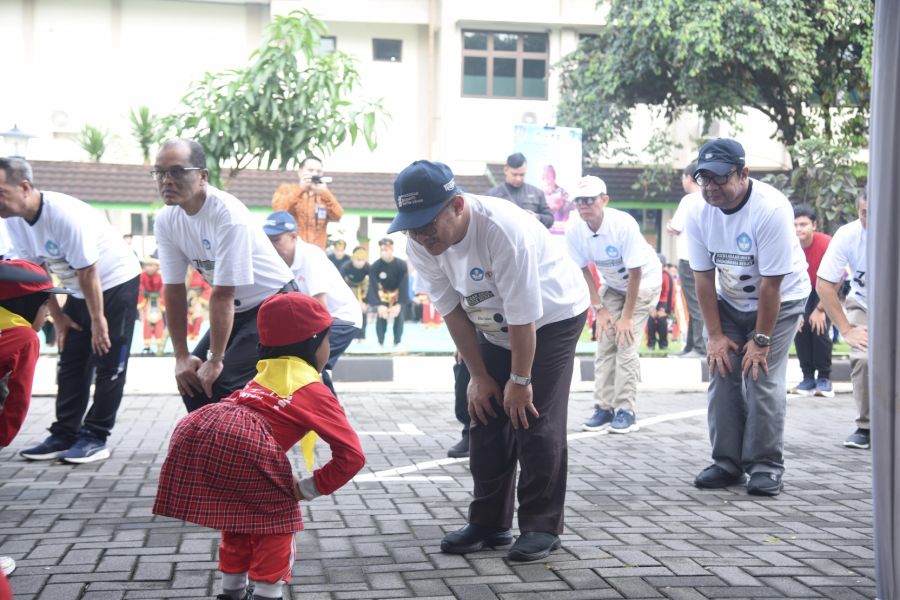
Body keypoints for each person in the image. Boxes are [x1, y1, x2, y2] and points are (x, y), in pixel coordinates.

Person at [389, 160, 589, 562]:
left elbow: (523, 316)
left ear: (457, 205)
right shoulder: (420, 241)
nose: (421, 235)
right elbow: (451, 311)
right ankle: (489, 521)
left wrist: (520, 379)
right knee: (484, 413)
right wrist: (477, 376)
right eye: (411, 226)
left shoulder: (501, 229)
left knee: (532, 415)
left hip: (551, 318)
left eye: (427, 223)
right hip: (493, 323)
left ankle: (540, 525)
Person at [153, 292, 365, 600]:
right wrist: (307, 488)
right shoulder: (312, 389)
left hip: (205, 427)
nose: (329, 349)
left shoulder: (261, 373)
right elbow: (352, 455)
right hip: (246, 443)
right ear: (312, 343)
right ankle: (267, 592)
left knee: (239, 515)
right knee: (276, 522)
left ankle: (232, 591)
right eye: (328, 341)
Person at [686, 139, 810, 497]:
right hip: (730, 297)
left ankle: (765, 465)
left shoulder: (770, 209)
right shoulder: (697, 211)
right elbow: (702, 278)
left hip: (781, 298)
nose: (711, 187)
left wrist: (760, 341)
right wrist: (714, 335)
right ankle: (727, 462)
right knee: (722, 368)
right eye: (703, 178)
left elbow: (772, 285)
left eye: (719, 178)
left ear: (743, 174)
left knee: (761, 375)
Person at [1, 157, 141, 464]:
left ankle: (95, 435)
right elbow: (36, 275)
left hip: (114, 282)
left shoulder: (62, 214)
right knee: (71, 359)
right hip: (80, 287)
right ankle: (64, 433)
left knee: (108, 359)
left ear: (24, 187)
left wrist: (98, 320)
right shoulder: (12, 219)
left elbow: (89, 270)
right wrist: (60, 318)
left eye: (1, 192)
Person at [151, 139, 296, 412]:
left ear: (202, 176)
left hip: (276, 304)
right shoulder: (166, 219)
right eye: (159, 172)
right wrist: (181, 356)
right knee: (191, 380)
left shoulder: (227, 214)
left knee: (224, 382)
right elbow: (173, 290)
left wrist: (215, 360)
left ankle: (245, 450)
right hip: (237, 310)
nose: (166, 180)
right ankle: (207, 449)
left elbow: (223, 294)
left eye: (177, 171)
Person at [566, 176, 661, 434]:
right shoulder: (574, 229)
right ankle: (603, 408)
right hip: (613, 285)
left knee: (625, 341)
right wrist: (600, 309)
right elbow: (583, 269)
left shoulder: (623, 224)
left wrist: (627, 317)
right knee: (606, 342)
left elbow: (636, 273)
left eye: (590, 199)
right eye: (579, 201)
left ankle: (625, 410)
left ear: (604, 200)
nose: (584, 205)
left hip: (643, 284)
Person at [0, 260, 72, 587]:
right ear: (26, 304)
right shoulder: (23, 336)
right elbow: (16, 398)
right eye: (45, 304)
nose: (46, 315)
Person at [263, 210, 363, 397]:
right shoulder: (278, 262)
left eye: (276, 240)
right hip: (319, 319)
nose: (271, 246)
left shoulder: (310, 256)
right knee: (299, 362)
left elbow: (320, 307)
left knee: (310, 364)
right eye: (268, 240)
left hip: (341, 319)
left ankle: (330, 418)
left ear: (293, 236)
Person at [816, 189, 869, 449]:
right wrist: (846, 329)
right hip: (865, 303)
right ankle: (866, 427)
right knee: (863, 357)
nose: (870, 219)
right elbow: (824, 285)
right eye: (864, 214)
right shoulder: (848, 235)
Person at [790, 204, 834, 397]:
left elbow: (836, 279)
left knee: (818, 327)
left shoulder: (826, 243)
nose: (798, 229)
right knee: (800, 328)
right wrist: (796, 312)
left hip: (825, 289)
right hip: (800, 290)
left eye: (803, 224)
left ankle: (824, 378)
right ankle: (807, 378)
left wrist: (821, 310)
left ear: (813, 225)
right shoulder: (788, 245)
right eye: (795, 225)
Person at [666, 161, 707, 358]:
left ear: (688, 178)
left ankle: (699, 346)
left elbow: (674, 227)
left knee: (695, 303)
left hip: (687, 259)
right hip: (704, 260)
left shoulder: (689, 200)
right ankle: (691, 345)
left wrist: (669, 226)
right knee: (696, 302)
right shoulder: (708, 199)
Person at [271, 156, 343, 250]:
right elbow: (279, 211)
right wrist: (301, 189)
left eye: (318, 172)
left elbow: (338, 215)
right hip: (291, 251)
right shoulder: (286, 189)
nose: (314, 174)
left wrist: (325, 193)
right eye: (310, 170)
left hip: (317, 252)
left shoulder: (324, 195)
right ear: (300, 172)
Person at [485, 153, 554, 228]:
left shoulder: (537, 193)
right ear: (506, 170)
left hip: (530, 238)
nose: (518, 179)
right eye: (514, 174)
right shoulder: (492, 195)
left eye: (522, 175)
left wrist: (536, 217)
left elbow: (550, 219)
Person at [366, 238, 408, 348]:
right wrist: (379, 304)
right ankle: (380, 342)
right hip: (382, 295)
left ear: (392, 249)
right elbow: (373, 286)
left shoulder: (401, 265)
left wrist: (399, 304)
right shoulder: (375, 266)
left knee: (398, 316)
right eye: (382, 250)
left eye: (387, 249)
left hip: (397, 294)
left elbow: (404, 285)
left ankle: (397, 341)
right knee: (382, 315)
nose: (384, 252)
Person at [138, 257, 167, 355]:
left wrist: (163, 304)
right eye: (146, 265)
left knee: (159, 323)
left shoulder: (161, 276)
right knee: (146, 323)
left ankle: (159, 346)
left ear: (157, 266)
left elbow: (164, 289)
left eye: (150, 265)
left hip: (158, 301)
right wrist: (141, 306)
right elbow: (140, 289)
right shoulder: (142, 275)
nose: (148, 268)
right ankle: (147, 346)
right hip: (147, 301)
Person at [341, 247, 370, 340]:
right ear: (353, 258)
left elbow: (373, 284)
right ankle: (348, 336)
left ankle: (361, 336)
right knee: (349, 313)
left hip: (362, 289)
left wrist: (365, 302)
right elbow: (340, 284)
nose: (360, 262)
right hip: (347, 289)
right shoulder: (345, 267)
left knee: (363, 311)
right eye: (358, 259)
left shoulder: (368, 267)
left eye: (363, 259)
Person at [648, 254, 675, 351]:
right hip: (652, 303)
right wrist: (651, 308)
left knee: (662, 321)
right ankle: (651, 344)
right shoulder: (649, 275)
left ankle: (663, 344)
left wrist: (665, 309)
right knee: (650, 320)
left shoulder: (666, 276)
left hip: (664, 304)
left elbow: (670, 294)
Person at [542, 164, 572, 230]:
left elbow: (571, 208)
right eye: (544, 177)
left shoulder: (562, 192)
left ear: (554, 177)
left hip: (560, 225)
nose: (547, 180)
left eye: (549, 177)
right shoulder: (540, 193)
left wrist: (562, 204)